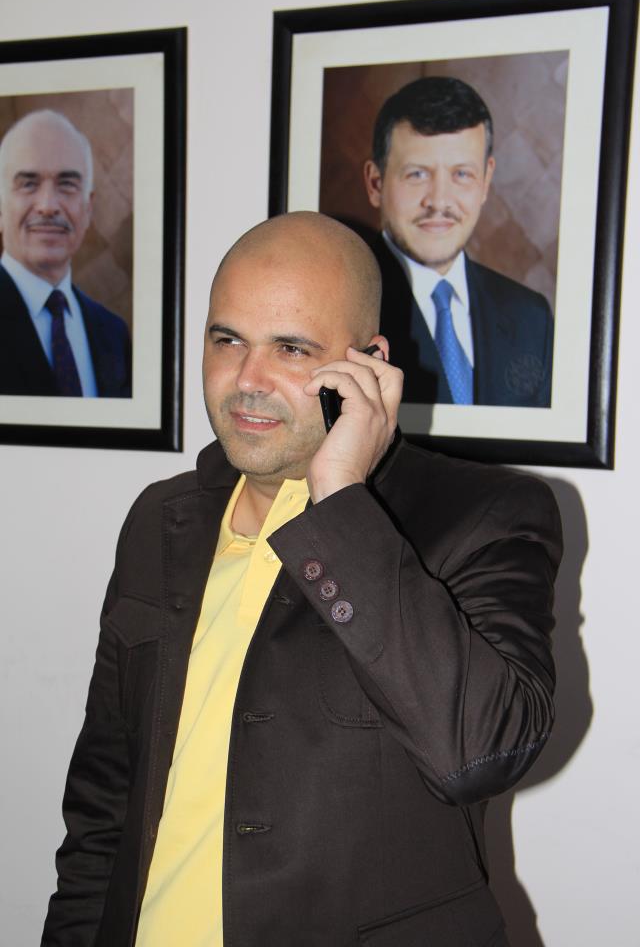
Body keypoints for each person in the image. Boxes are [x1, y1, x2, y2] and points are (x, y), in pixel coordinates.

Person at [41, 212, 562, 946]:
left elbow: (479, 751)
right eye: (227, 340)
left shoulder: (483, 515)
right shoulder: (160, 519)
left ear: (369, 364)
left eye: (290, 348)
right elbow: (104, 801)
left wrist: (343, 498)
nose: (246, 381)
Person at [363, 76, 554, 407]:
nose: (439, 201)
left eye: (462, 174)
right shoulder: (344, 309)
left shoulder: (531, 317)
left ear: (485, 180)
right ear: (376, 184)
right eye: (417, 174)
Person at [0, 109, 131, 397]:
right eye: (28, 184)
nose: (48, 206)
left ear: (88, 208)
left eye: (67, 184)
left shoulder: (113, 334)